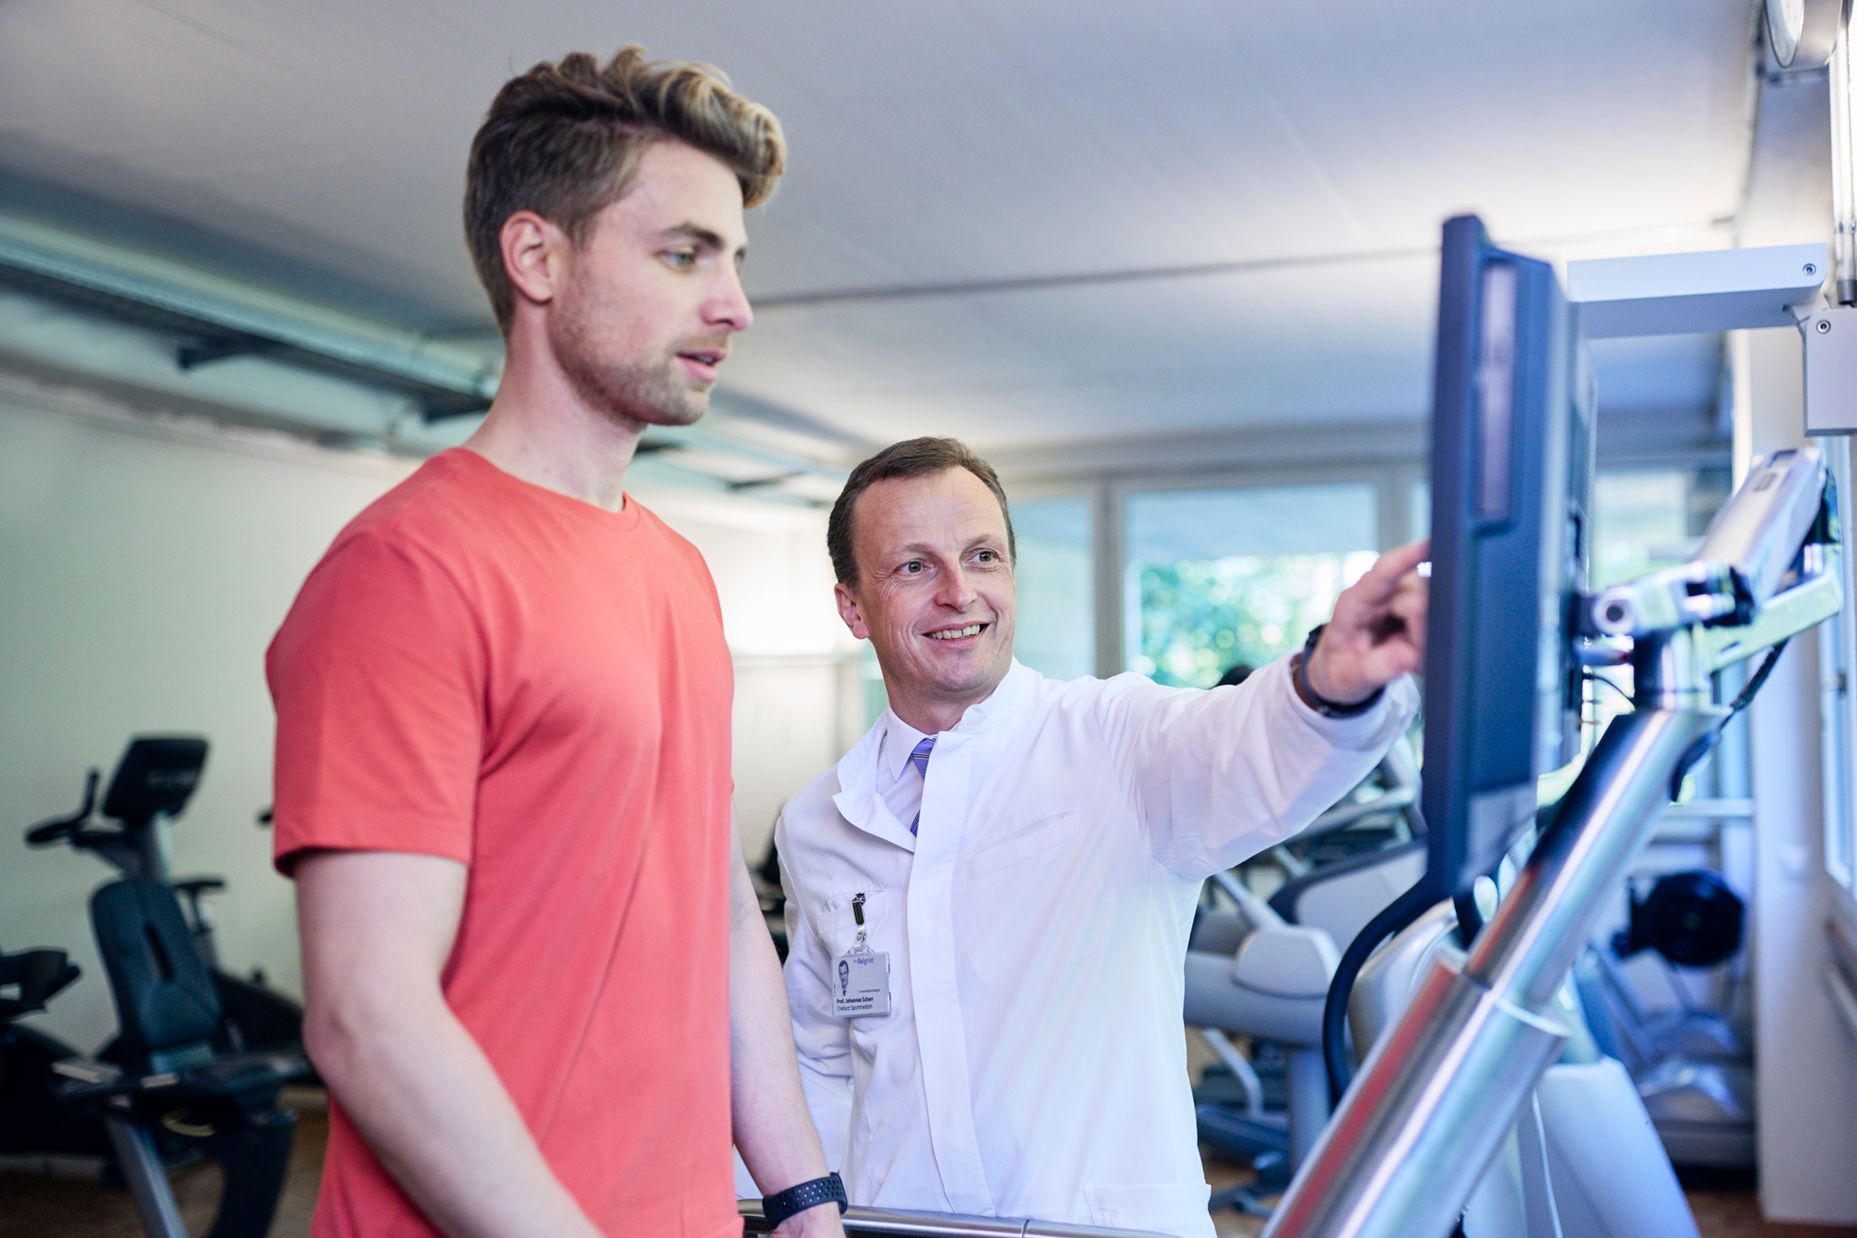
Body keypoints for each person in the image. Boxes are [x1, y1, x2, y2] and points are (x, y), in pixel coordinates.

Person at [267, 47, 844, 1238]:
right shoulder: (409, 571)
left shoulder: (676, 570)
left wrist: (800, 1195)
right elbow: (368, 1016)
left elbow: (719, 904)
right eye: (685, 254)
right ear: (538, 257)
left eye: (734, 260)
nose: (734, 303)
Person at [773, 437, 1426, 1237]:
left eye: (982, 556)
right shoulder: (816, 823)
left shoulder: (1115, 738)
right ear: (852, 607)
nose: (958, 592)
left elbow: (1248, 744)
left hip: (1098, 1224)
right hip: (897, 1224)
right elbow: (820, 1054)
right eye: (914, 567)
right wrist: (813, 1207)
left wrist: (1327, 684)